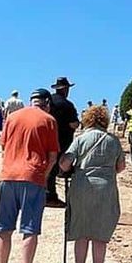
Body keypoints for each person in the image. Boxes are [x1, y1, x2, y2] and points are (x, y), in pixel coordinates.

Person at [0, 89, 60, 263]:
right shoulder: (48, 120)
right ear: (46, 103)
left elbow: (3, 147)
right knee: (30, 228)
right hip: (32, 177)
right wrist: (44, 177)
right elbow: (52, 156)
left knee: (4, 227)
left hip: (8, 176)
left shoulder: (12, 117)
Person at [60, 103, 125, 263]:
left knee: (81, 233)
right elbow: (121, 167)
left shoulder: (81, 139)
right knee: (100, 235)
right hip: (106, 189)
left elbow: (65, 163)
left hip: (81, 187)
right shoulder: (113, 140)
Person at [46, 77, 80, 205]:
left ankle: (47, 194)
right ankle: (50, 196)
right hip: (62, 139)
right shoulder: (67, 105)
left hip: (47, 137)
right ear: (65, 89)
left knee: (48, 167)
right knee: (54, 169)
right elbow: (74, 124)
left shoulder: (49, 102)